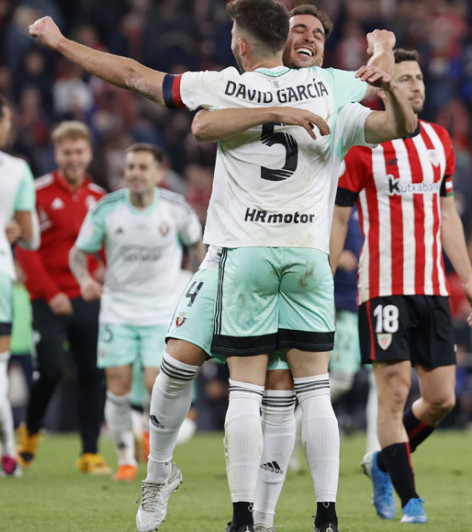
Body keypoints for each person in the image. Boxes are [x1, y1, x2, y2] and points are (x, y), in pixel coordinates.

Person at [29, 2, 413, 530]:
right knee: (180, 362)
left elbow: (139, 79)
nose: (309, 38)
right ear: (281, 40)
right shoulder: (306, 86)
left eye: (317, 33)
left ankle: (261, 516)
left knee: (273, 391)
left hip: (266, 257)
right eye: (299, 29)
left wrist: (61, 44)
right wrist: (382, 54)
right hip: (235, 254)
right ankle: (159, 474)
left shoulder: (314, 86)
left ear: (243, 43)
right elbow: (199, 122)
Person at [331, 48, 472, 524]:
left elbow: (447, 214)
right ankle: (411, 500)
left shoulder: (440, 140)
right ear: (384, 87)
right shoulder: (364, 145)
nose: (416, 86)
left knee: (442, 399)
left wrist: (469, 278)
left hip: (432, 288)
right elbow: (340, 214)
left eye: (419, 78)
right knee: (395, 391)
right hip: (382, 288)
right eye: (404, 78)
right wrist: (324, 268)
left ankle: (384, 458)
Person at [69, 143, 203, 481]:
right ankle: (126, 459)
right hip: (117, 308)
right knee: (117, 385)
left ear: (158, 173)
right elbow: (77, 253)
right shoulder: (107, 209)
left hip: (161, 309)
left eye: (143, 168)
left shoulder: (175, 209)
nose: (135, 174)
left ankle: (155, 448)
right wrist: (85, 279)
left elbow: (197, 246)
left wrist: (197, 285)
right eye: (130, 168)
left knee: (154, 384)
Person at [15, 120, 109, 474]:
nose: (73, 157)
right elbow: (26, 249)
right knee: (51, 370)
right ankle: (32, 431)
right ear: (57, 154)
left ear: (88, 154)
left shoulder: (98, 198)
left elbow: (106, 248)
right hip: (47, 299)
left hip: (86, 297)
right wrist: (51, 292)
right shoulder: (36, 193)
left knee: (92, 375)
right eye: (67, 152)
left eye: (79, 151)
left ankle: (89, 453)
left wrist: (105, 275)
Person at [0, 95, 39, 477]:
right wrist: (13, 230)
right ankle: (9, 454)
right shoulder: (15, 170)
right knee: (0, 370)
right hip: (0, 275)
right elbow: (30, 237)